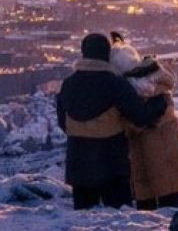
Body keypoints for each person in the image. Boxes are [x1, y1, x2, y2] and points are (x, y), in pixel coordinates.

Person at [56, 33, 167, 210]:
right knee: (118, 217)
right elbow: (140, 117)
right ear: (106, 54)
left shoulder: (68, 84)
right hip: (111, 162)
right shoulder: (115, 83)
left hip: (78, 164)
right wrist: (159, 102)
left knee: (82, 220)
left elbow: (63, 122)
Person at [110, 35, 178, 210]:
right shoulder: (157, 81)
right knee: (169, 209)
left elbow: (134, 124)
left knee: (147, 214)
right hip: (169, 154)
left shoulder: (130, 91)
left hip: (146, 160)